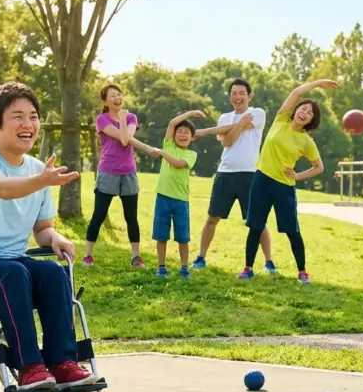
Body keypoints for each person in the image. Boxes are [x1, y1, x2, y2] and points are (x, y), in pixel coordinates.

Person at [0, 82, 100, 392]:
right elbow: (2, 188)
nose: (28, 124)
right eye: (17, 116)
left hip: (11, 263)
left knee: (54, 273)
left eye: (33, 116)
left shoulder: (37, 170)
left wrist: (55, 237)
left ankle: (62, 363)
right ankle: (28, 367)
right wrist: (42, 180)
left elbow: (42, 228)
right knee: (14, 273)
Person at [238, 79, 339, 284]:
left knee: (292, 230)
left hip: (284, 188)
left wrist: (298, 176)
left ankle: (302, 272)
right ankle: (248, 269)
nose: (304, 113)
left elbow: (319, 167)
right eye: (303, 108)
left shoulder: (306, 141)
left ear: (311, 120)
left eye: (310, 113)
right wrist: (318, 83)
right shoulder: (281, 120)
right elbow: (295, 92)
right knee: (255, 226)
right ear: (296, 110)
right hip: (262, 180)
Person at [191, 79, 277, 273]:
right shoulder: (224, 118)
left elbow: (233, 131)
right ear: (230, 97)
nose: (237, 97)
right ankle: (200, 258)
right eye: (234, 94)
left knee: (258, 221)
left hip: (250, 175)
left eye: (241, 93)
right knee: (212, 218)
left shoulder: (258, 113)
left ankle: (269, 262)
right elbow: (227, 142)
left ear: (249, 96)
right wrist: (238, 124)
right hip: (225, 174)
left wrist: (204, 131)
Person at [83, 84, 158, 270]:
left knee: (131, 217)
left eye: (119, 94)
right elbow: (124, 139)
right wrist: (123, 119)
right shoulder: (102, 119)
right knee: (99, 215)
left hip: (128, 172)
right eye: (112, 95)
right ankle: (88, 256)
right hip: (108, 171)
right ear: (105, 101)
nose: (117, 97)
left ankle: (136, 257)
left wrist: (125, 119)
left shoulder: (132, 117)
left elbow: (128, 137)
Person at [151, 110, 204, 279]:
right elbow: (172, 122)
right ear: (173, 136)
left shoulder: (191, 154)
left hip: (181, 201)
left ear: (192, 138)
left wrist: (161, 153)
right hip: (163, 198)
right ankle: (161, 267)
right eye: (179, 132)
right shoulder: (169, 145)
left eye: (186, 132)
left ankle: (184, 268)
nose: (182, 134)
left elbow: (178, 164)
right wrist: (190, 113)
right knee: (161, 235)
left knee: (183, 237)